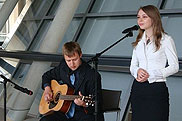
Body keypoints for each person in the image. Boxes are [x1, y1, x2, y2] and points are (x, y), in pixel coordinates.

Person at [130, 5, 179, 121]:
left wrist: (151, 74)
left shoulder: (166, 40)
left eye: (144, 17)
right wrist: (137, 71)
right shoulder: (138, 42)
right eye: (138, 17)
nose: (140, 20)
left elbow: (174, 66)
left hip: (156, 89)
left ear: (153, 18)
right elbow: (132, 66)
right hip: (138, 89)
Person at [40, 41, 104, 121]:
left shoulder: (92, 75)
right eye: (68, 60)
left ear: (80, 55)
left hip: (83, 115)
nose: (72, 64)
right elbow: (46, 76)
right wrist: (47, 89)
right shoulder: (63, 67)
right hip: (63, 113)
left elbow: (98, 104)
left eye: (74, 59)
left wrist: (84, 104)